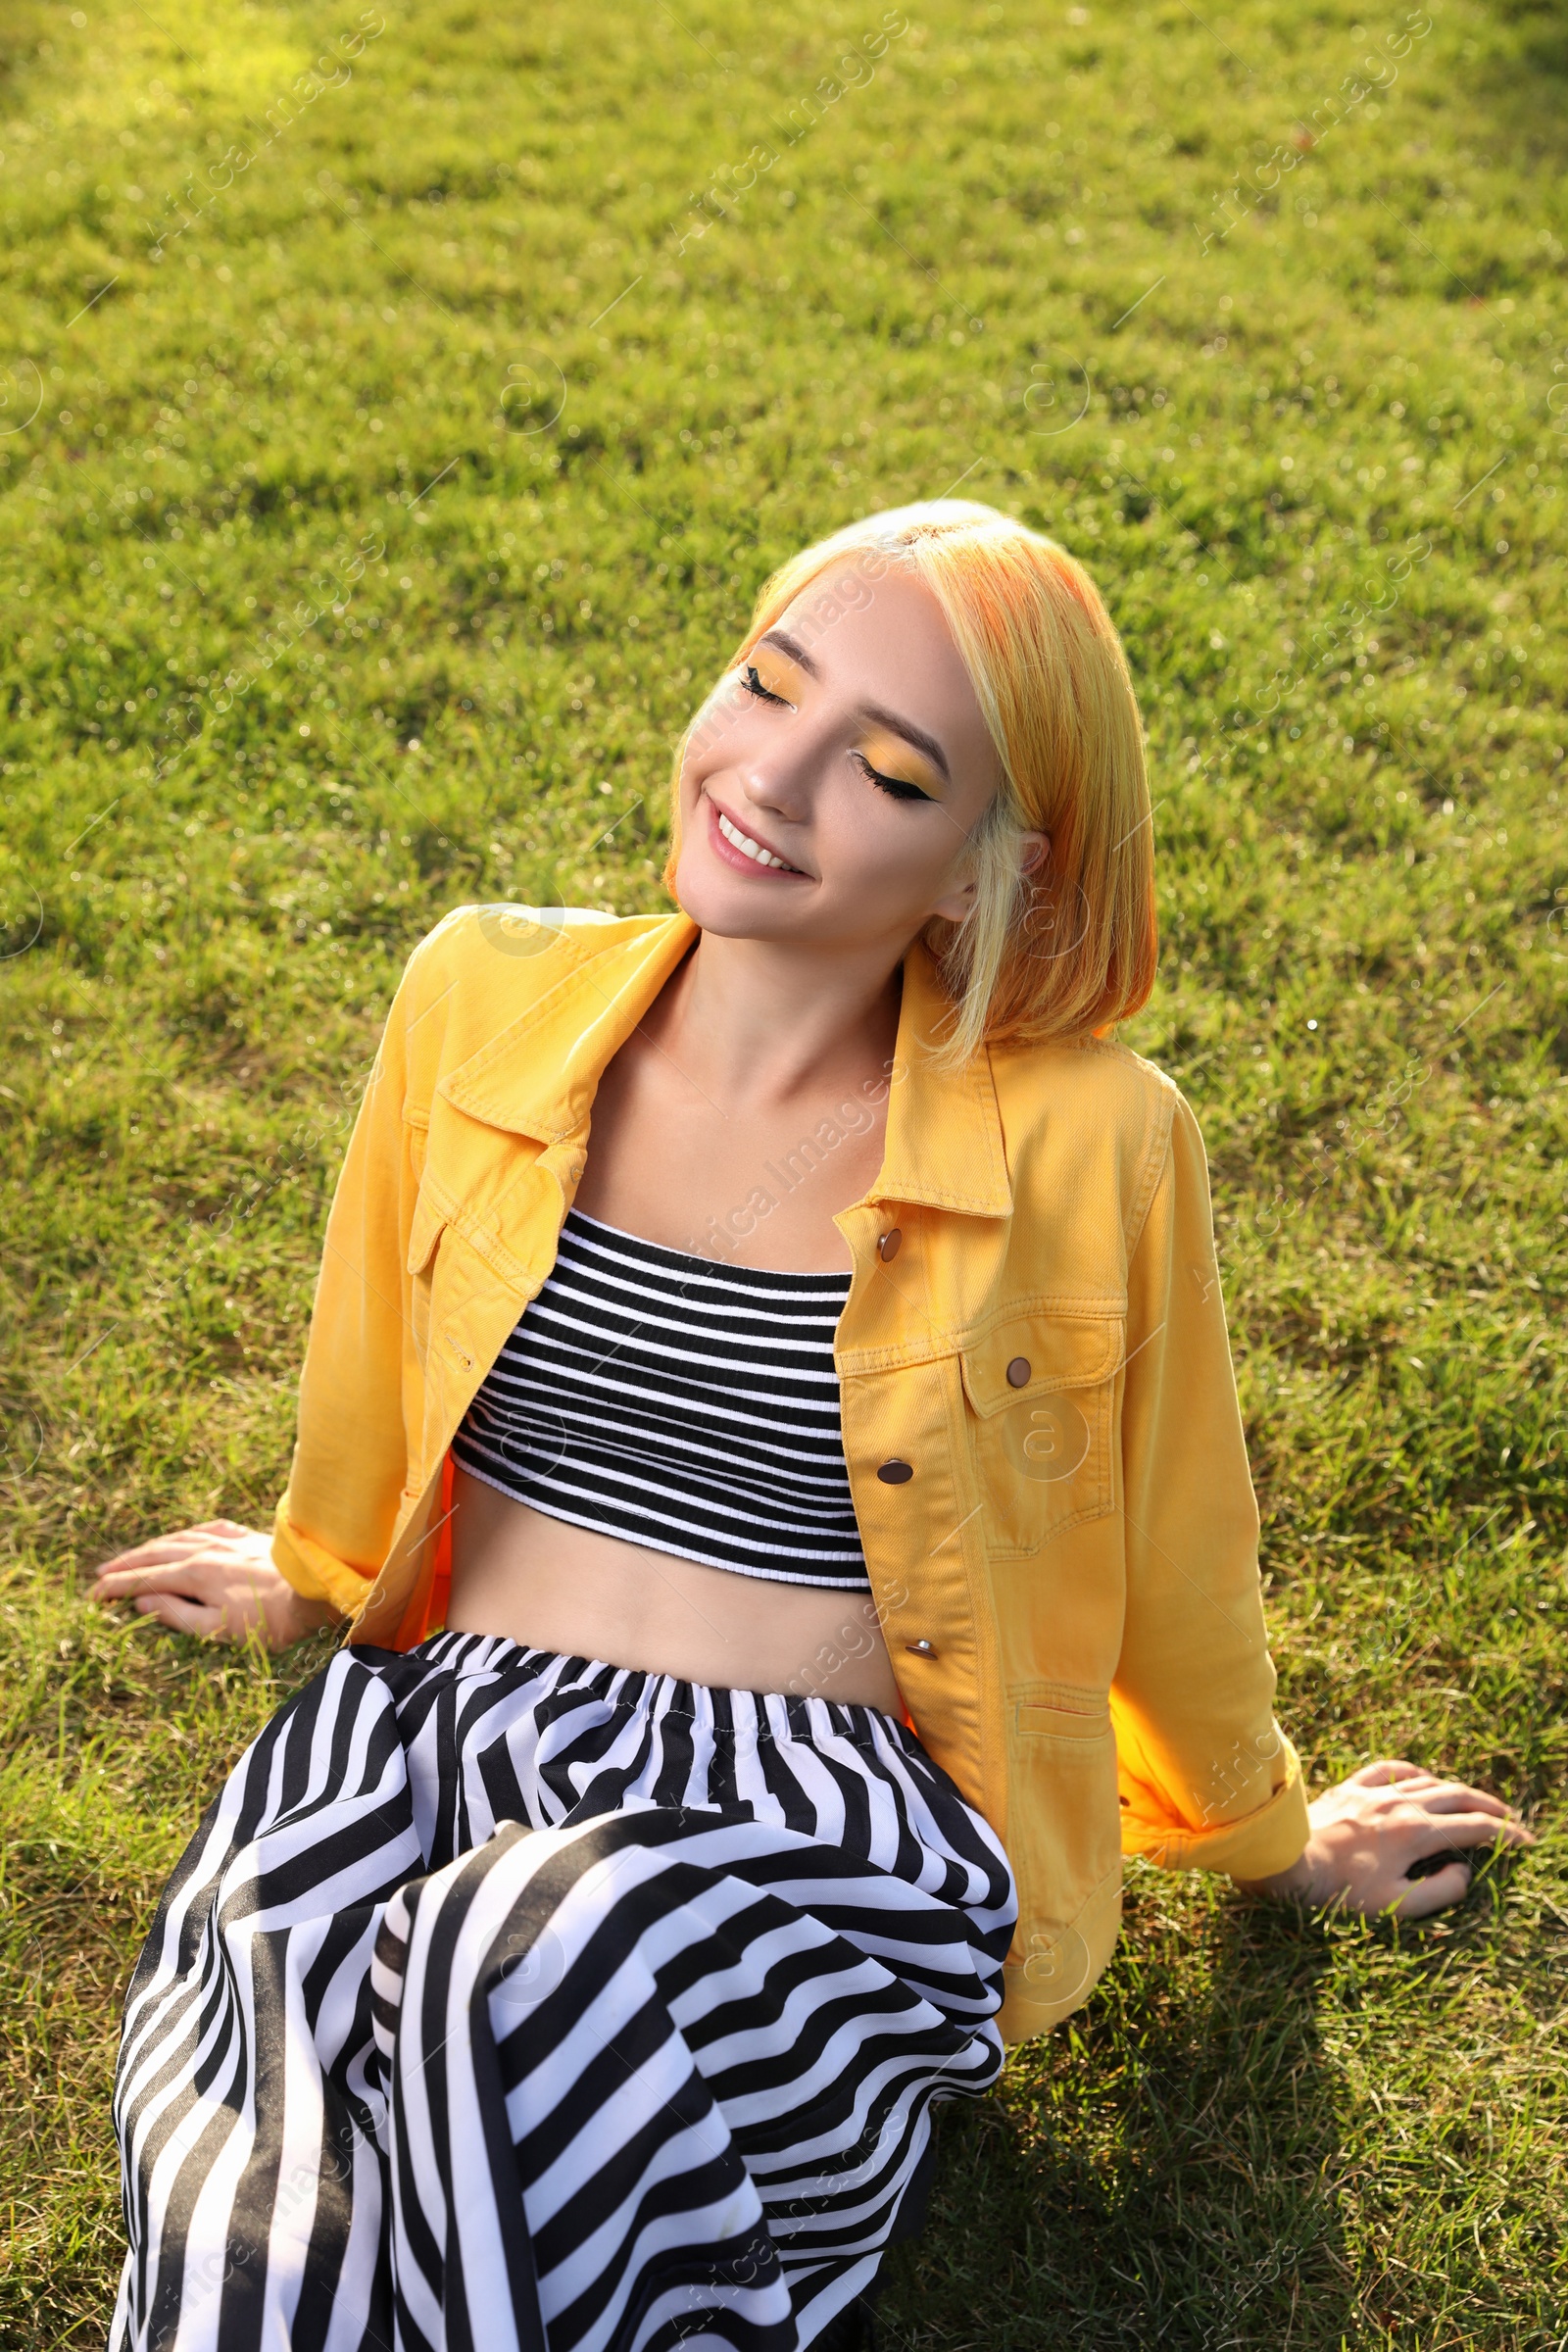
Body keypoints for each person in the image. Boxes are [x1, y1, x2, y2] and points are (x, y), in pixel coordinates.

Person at [92, 502, 1527, 2352]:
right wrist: (316, 1573)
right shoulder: (478, 993)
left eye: (892, 768)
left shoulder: (1091, 1139)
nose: (771, 774)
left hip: (810, 1830)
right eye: (767, 683)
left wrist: (1276, 1836)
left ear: (976, 867)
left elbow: (1174, 1542)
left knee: (505, 1954)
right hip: (414, 1758)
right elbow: (378, 1343)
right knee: (253, 2271)